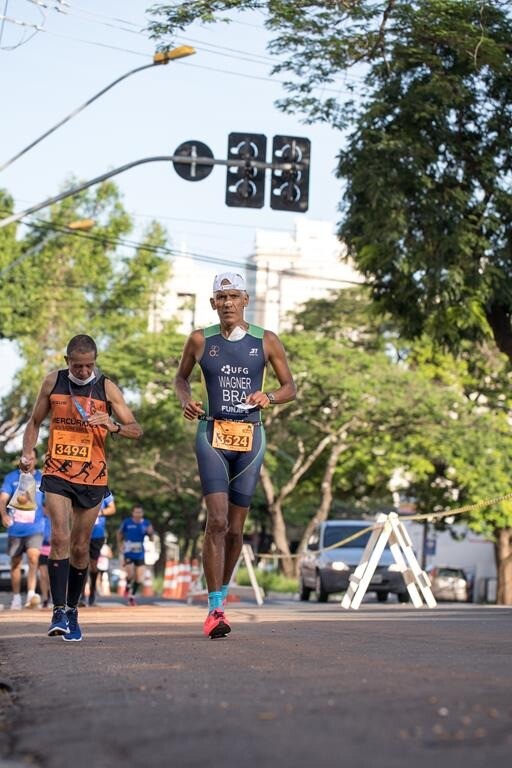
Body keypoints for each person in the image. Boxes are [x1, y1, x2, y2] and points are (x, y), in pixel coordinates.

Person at [174, 271, 296, 639]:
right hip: (212, 433)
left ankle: (222, 594)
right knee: (216, 519)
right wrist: (186, 400)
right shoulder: (200, 340)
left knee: (236, 528)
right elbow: (181, 378)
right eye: (221, 298)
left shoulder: (266, 341)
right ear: (213, 303)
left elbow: (290, 387)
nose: (228, 303)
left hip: (251, 438)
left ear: (246, 300)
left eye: (234, 297)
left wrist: (268, 397)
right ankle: (214, 609)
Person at [19, 334, 143, 641]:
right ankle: (58, 611)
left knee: (79, 546)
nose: (84, 371)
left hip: (93, 477)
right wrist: (28, 452)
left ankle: (73, 609)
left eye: (89, 365)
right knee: (59, 537)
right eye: (78, 366)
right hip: (57, 472)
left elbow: (136, 429)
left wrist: (113, 425)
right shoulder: (53, 382)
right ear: (67, 362)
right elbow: (34, 422)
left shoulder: (107, 388)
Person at [0, 448, 45, 610]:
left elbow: (49, 503)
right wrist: (4, 515)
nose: (28, 462)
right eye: (25, 459)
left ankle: (31, 595)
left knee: (33, 558)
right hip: (16, 528)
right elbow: (3, 498)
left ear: (36, 460)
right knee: (15, 562)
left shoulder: (42, 478)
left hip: (36, 527)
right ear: (20, 460)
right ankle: (17, 597)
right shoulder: (12, 477)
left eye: (31, 458)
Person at [79, 491, 116, 607]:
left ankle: (92, 592)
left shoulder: (104, 491)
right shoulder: (80, 489)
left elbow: (112, 508)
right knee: (82, 563)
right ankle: (81, 595)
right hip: (82, 533)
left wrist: (100, 512)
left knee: (93, 564)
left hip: (97, 534)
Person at [116, 504, 154, 606]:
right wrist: (120, 545)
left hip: (140, 553)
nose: (138, 514)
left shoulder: (146, 523)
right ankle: (128, 587)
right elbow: (119, 533)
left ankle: (132, 596)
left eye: (140, 512)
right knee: (130, 574)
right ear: (132, 513)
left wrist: (151, 533)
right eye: (136, 512)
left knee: (139, 578)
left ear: (142, 513)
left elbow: (152, 539)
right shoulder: (127, 522)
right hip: (128, 552)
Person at [38, 507, 52, 608]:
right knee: (43, 575)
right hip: (41, 549)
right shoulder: (39, 518)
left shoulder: (55, 518)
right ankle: (45, 598)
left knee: (52, 575)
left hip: (53, 550)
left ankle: (53, 596)